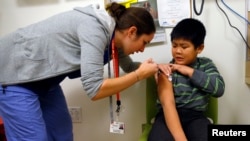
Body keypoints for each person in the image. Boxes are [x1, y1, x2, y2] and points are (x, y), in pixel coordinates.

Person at [0, 2, 159, 141]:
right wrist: (139, 75)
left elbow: (130, 68)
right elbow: (94, 89)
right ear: (131, 32)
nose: (143, 49)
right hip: (16, 76)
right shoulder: (95, 29)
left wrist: (156, 67)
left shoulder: (115, 42)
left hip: (46, 82)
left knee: (62, 134)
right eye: (144, 42)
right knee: (34, 138)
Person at [148, 18, 225, 141]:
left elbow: (219, 89)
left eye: (184, 47)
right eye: (174, 45)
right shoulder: (167, 69)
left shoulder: (205, 65)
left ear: (199, 48)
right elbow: (168, 104)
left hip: (195, 117)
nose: (178, 51)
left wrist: (188, 71)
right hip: (167, 116)